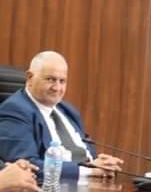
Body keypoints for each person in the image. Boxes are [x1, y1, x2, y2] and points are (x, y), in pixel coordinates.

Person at [0, 51, 123, 180]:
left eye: (62, 81)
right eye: (50, 79)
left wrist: (103, 164)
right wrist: (90, 171)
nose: (57, 88)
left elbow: (85, 153)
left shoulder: (67, 110)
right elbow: (26, 167)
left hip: (91, 183)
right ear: (30, 77)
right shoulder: (14, 111)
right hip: (50, 188)